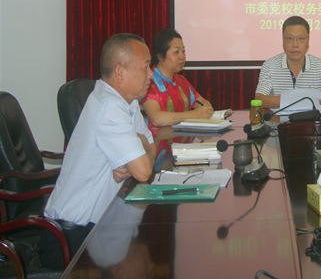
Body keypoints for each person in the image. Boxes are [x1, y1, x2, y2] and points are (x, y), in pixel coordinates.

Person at [42, 33, 156, 268]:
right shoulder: (110, 106)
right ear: (120, 72)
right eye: (145, 67)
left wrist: (138, 151)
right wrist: (139, 150)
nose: (150, 74)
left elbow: (150, 152)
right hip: (72, 238)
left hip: (100, 223)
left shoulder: (128, 102)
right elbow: (144, 171)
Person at [140, 29, 214, 169]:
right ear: (160, 56)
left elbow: (203, 103)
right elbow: (157, 119)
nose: (182, 56)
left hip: (179, 150)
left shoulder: (181, 81)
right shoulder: (149, 83)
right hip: (153, 154)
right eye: (176, 52)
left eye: (183, 51)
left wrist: (204, 109)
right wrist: (194, 115)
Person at [255, 16, 321, 109]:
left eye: (300, 38)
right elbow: (259, 99)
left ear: (308, 41)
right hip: (279, 118)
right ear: (283, 40)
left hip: (312, 118)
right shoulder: (269, 66)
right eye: (290, 38)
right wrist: (293, 99)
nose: (295, 45)